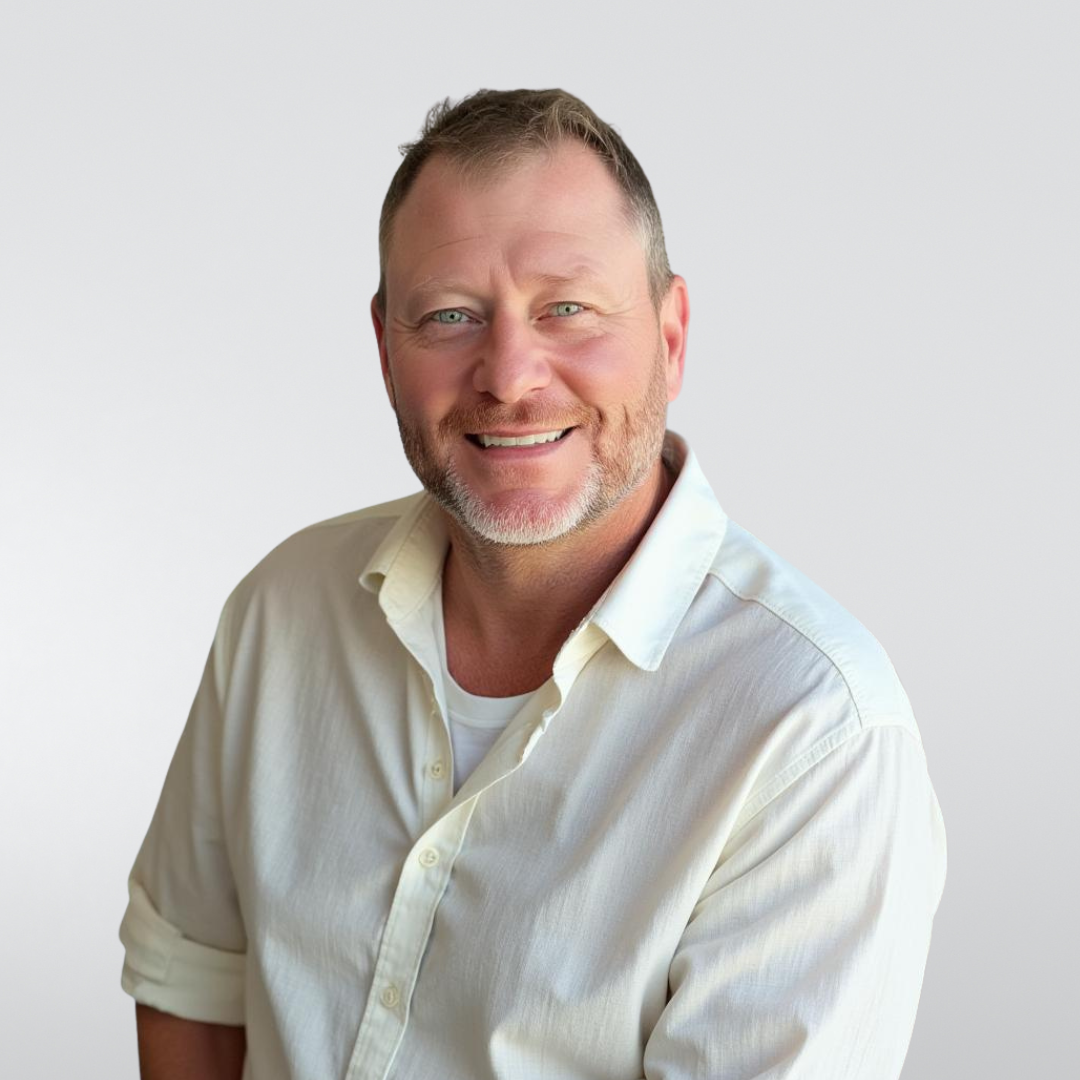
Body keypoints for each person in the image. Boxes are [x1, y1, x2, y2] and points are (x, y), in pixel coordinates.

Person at [119, 88, 947, 1080]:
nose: (509, 376)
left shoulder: (815, 734)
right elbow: (192, 979)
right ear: (385, 349)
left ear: (671, 336)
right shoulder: (283, 610)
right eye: (451, 315)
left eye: (567, 308)